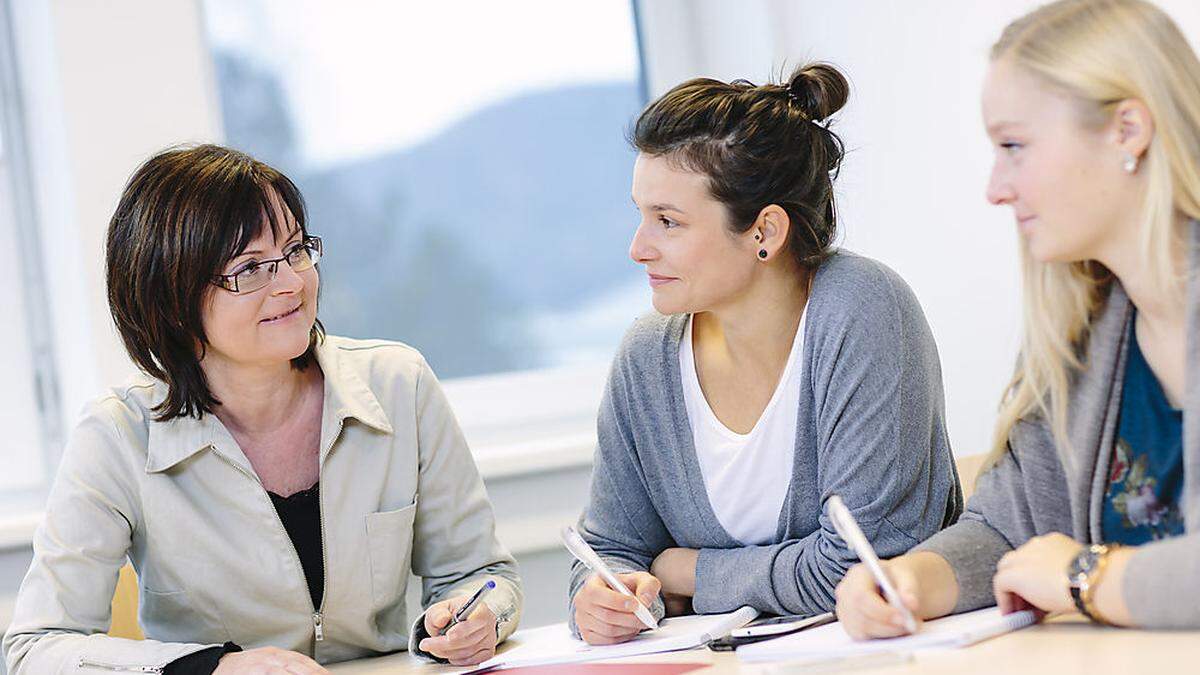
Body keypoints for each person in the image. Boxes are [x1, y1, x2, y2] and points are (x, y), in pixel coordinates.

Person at [2, 144, 521, 674]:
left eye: (296, 251)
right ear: (171, 298)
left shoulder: (398, 385)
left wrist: (479, 616)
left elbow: (482, 574)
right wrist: (213, 669)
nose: (292, 283)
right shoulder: (118, 435)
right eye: (250, 270)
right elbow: (35, 649)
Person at [835, 0, 1200, 637]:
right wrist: (916, 578)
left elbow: (1064, 565)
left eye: (1014, 146)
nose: (996, 188)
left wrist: (1086, 575)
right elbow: (1012, 528)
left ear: (1128, 131)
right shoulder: (1086, 327)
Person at [567, 63, 963, 645]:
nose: (638, 248)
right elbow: (608, 550)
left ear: (764, 233)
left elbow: (866, 569)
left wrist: (684, 570)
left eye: (668, 222)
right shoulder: (647, 355)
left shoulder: (863, 310)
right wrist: (602, 597)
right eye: (640, 214)